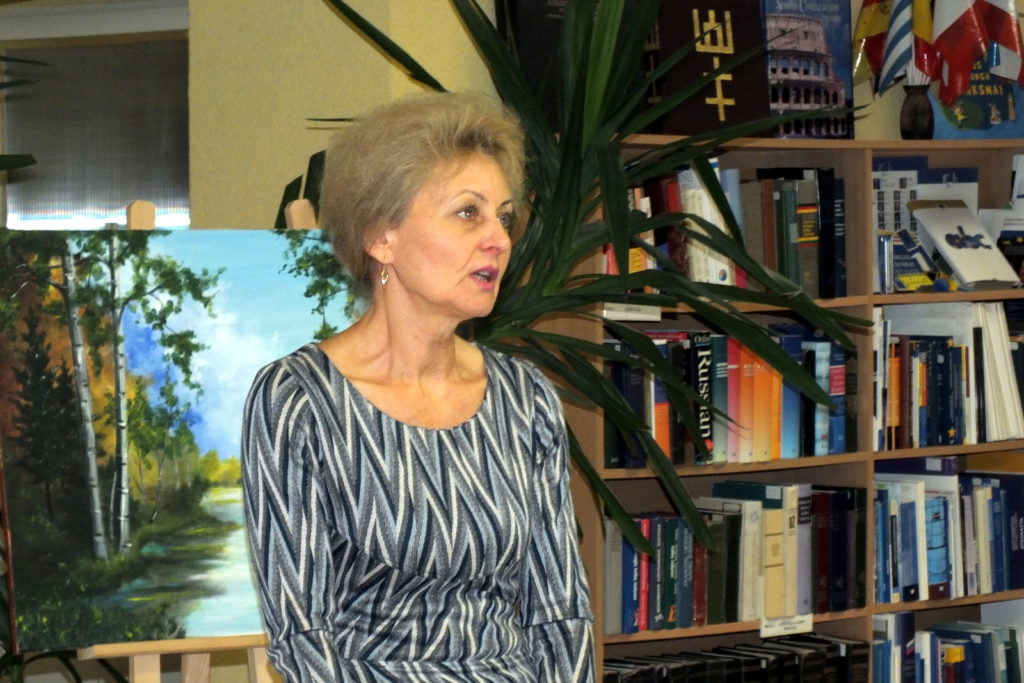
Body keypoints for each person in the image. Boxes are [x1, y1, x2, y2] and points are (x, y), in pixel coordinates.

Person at [241, 91, 595, 682]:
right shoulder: (297, 400)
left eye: (504, 216)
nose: (499, 239)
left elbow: (559, 612)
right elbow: (302, 635)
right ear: (381, 236)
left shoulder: (525, 397)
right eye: (468, 213)